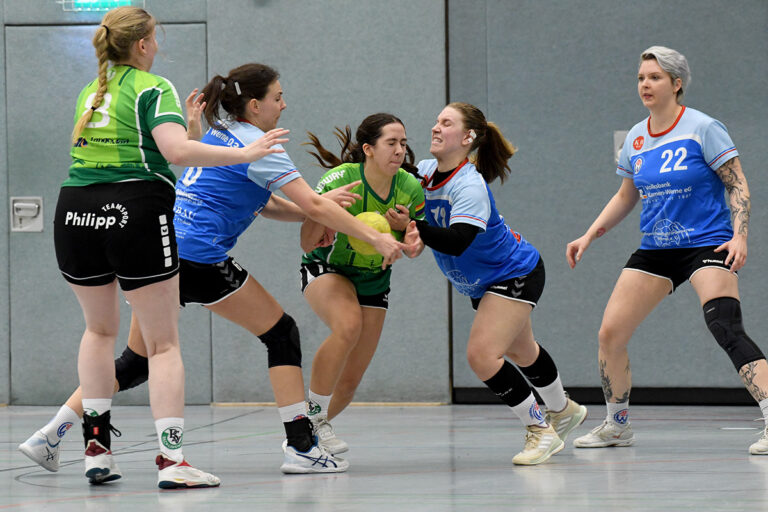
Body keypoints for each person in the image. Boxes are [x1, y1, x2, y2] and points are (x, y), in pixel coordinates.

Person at [21, 61, 408, 476]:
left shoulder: (220, 136)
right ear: (255, 105)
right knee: (281, 334)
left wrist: (322, 209)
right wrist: (377, 237)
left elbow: (272, 205)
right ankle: (300, 446)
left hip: (166, 251)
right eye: (278, 97)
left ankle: (50, 434)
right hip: (200, 257)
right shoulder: (259, 145)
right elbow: (313, 205)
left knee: (137, 361)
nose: (285, 104)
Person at [42, 7, 293, 488]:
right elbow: (175, 155)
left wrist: (192, 130)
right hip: (134, 207)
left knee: (98, 332)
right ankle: (173, 462)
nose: (158, 46)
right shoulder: (152, 87)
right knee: (162, 344)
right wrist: (246, 153)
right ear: (141, 45)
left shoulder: (90, 92)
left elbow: (169, 146)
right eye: (155, 38)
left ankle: (96, 451)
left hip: (74, 210)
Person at [566, 46, 768, 454]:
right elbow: (626, 196)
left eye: (655, 77)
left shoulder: (704, 128)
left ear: (676, 84)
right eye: (641, 77)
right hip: (657, 248)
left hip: (707, 242)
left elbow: (737, 182)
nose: (645, 84)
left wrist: (740, 234)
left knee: (725, 325)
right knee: (610, 333)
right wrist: (589, 234)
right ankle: (617, 425)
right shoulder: (636, 137)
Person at [408, 102, 587, 465]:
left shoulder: (469, 184)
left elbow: (458, 240)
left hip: (514, 273)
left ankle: (540, 430)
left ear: (468, 137)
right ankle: (563, 410)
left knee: (481, 355)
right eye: (436, 121)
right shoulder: (425, 173)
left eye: (446, 123)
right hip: (485, 281)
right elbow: (395, 181)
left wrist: (411, 228)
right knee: (522, 352)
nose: (436, 128)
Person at [298, 113, 426, 454]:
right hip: (327, 268)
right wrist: (321, 209)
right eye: (391, 143)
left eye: (403, 143)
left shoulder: (409, 188)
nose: (400, 150)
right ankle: (310, 421)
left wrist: (410, 239)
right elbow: (307, 243)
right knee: (348, 325)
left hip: (374, 279)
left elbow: (416, 245)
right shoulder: (341, 179)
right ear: (368, 149)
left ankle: (306, 434)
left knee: (351, 380)